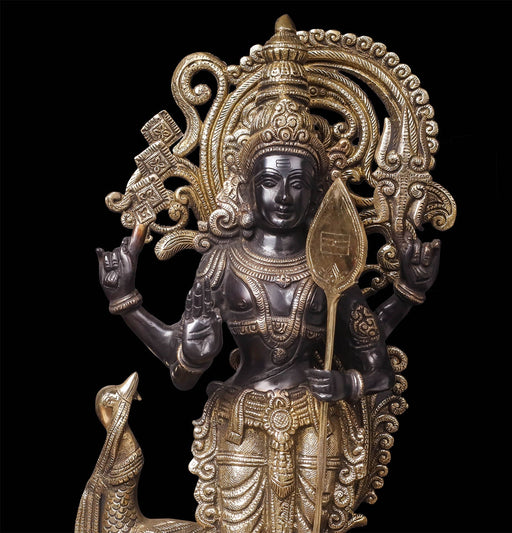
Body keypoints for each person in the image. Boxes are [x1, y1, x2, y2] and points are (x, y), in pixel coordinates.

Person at [96, 17, 441, 533]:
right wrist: (128, 302)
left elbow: (376, 371)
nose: (283, 196)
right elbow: (185, 367)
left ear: (316, 191)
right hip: (239, 425)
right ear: (248, 187)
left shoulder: (333, 267)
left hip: (318, 426)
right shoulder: (223, 261)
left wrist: (346, 380)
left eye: (297, 183)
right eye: (271, 181)